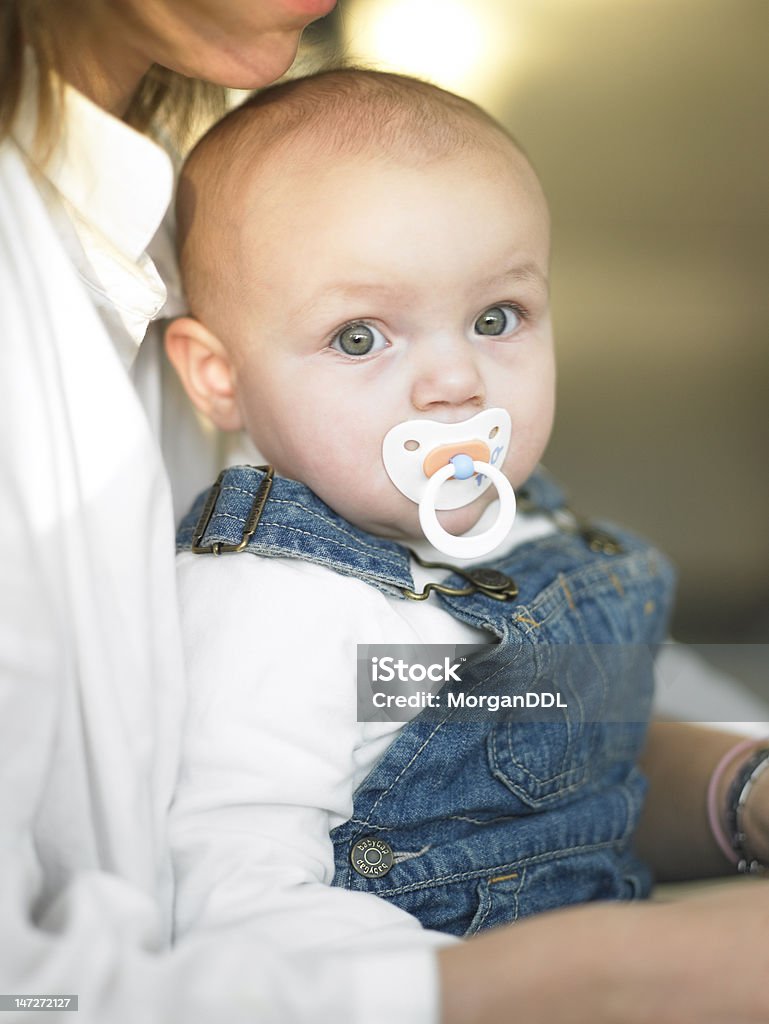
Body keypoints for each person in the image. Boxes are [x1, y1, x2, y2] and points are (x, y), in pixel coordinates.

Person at [1, 0, 767, 1017]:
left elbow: (582, 734)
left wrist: (742, 788)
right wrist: (635, 969)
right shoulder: (272, 610)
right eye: (360, 338)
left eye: (497, 317)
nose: (456, 381)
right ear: (217, 378)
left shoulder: (521, 531)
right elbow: (242, 897)